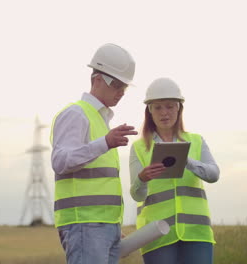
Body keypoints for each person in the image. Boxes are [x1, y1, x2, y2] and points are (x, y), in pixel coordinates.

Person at [50, 43, 138, 264]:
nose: (121, 93)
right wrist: (105, 143)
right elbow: (60, 161)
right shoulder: (75, 114)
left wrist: (112, 227)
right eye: (116, 84)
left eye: (124, 87)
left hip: (103, 226)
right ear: (97, 80)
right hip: (85, 224)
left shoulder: (101, 121)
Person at [129, 77, 220, 264]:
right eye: (158, 107)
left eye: (170, 106)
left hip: (197, 233)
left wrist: (186, 160)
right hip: (157, 234)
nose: (164, 113)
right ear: (150, 111)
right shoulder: (139, 148)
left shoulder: (196, 141)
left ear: (179, 108)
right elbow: (137, 195)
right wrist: (142, 178)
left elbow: (214, 174)